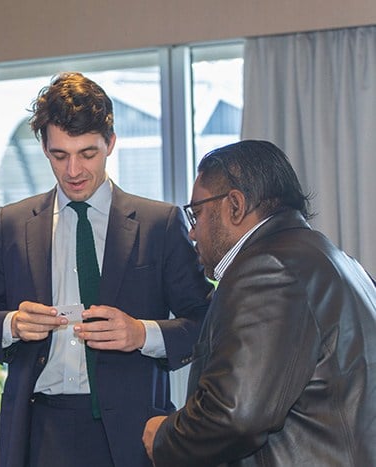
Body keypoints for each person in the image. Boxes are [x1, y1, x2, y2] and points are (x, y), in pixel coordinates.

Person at [0, 72, 212, 467]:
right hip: (37, 431)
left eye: (87, 153)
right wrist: (13, 325)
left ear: (110, 143)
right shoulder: (11, 224)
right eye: (60, 155)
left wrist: (142, 333)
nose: (73, 170)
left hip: (133, 432)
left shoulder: (159, 224)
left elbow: (207, 322)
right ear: (44, 147)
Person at [143, 140, 376, 466]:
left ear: (235, 206)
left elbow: (236, 414)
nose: (193, 233)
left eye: (197, 214)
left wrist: (166, 436)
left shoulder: (267, 268)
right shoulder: (337, 260)